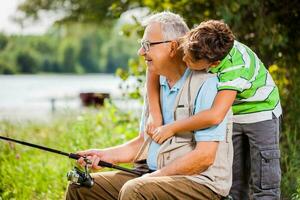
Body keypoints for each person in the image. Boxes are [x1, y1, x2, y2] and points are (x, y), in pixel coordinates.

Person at [66, 12, 233, 200]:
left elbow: (204, 157)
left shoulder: (208, 86)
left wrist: (152, 178)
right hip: (154, 175)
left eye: (147, 45)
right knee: (80, 188)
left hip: (200, 183)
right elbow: (142, 143)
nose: (141, 52)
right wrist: (104, 155)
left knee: (134, 190)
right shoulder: (156, 84)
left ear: (172, 47)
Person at [146, 20, 282, 199]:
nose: (183, 59)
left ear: (214, 63)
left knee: (264, 181)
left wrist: (172, 127)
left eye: (190, 60)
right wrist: (154, 113)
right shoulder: (194, 43)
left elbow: (215, 116)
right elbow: (153, 66)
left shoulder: (234, 67)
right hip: (232, 113)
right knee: (234, 178)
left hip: (261, 112)